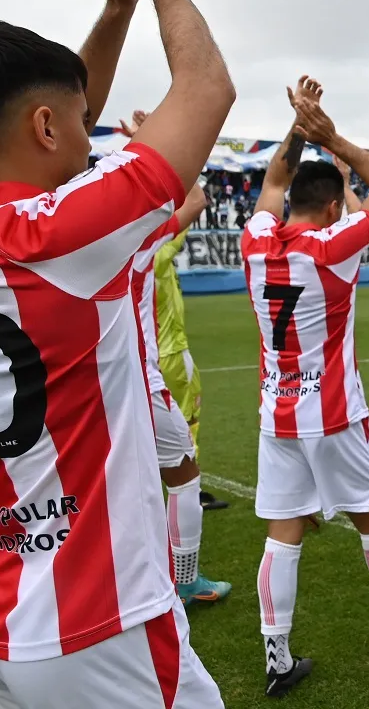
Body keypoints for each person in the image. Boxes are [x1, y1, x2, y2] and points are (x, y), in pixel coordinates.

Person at [0, 0, 235, 705]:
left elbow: (43, 138)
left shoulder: (11, 233)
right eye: (85, 124)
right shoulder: (51, 242)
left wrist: (113, 12)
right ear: (46, 126)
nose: (94, 143)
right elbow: (207, 88)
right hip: (99, 620)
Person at [244, 77, 369, 699]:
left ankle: (276, 655)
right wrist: (327, 133)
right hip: (332, 413)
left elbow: (271, 185)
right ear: (335, 205)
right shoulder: (333, 248)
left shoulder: (257, 245)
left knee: (282, 532)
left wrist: (295, 126)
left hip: (276, 414)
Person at [130, 183, 232, 608]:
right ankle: (185, 580)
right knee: (184, 473)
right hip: (148, 371)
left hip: (93, 381)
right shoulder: (149, 245)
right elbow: (197, 198)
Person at [122, 109, 228, 511]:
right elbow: (196, 197)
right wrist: (155, 145)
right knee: (183, 430)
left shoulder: (126, 246)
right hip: (166, 351)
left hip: (133, 357)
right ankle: (188, 493)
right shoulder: (157, 245)